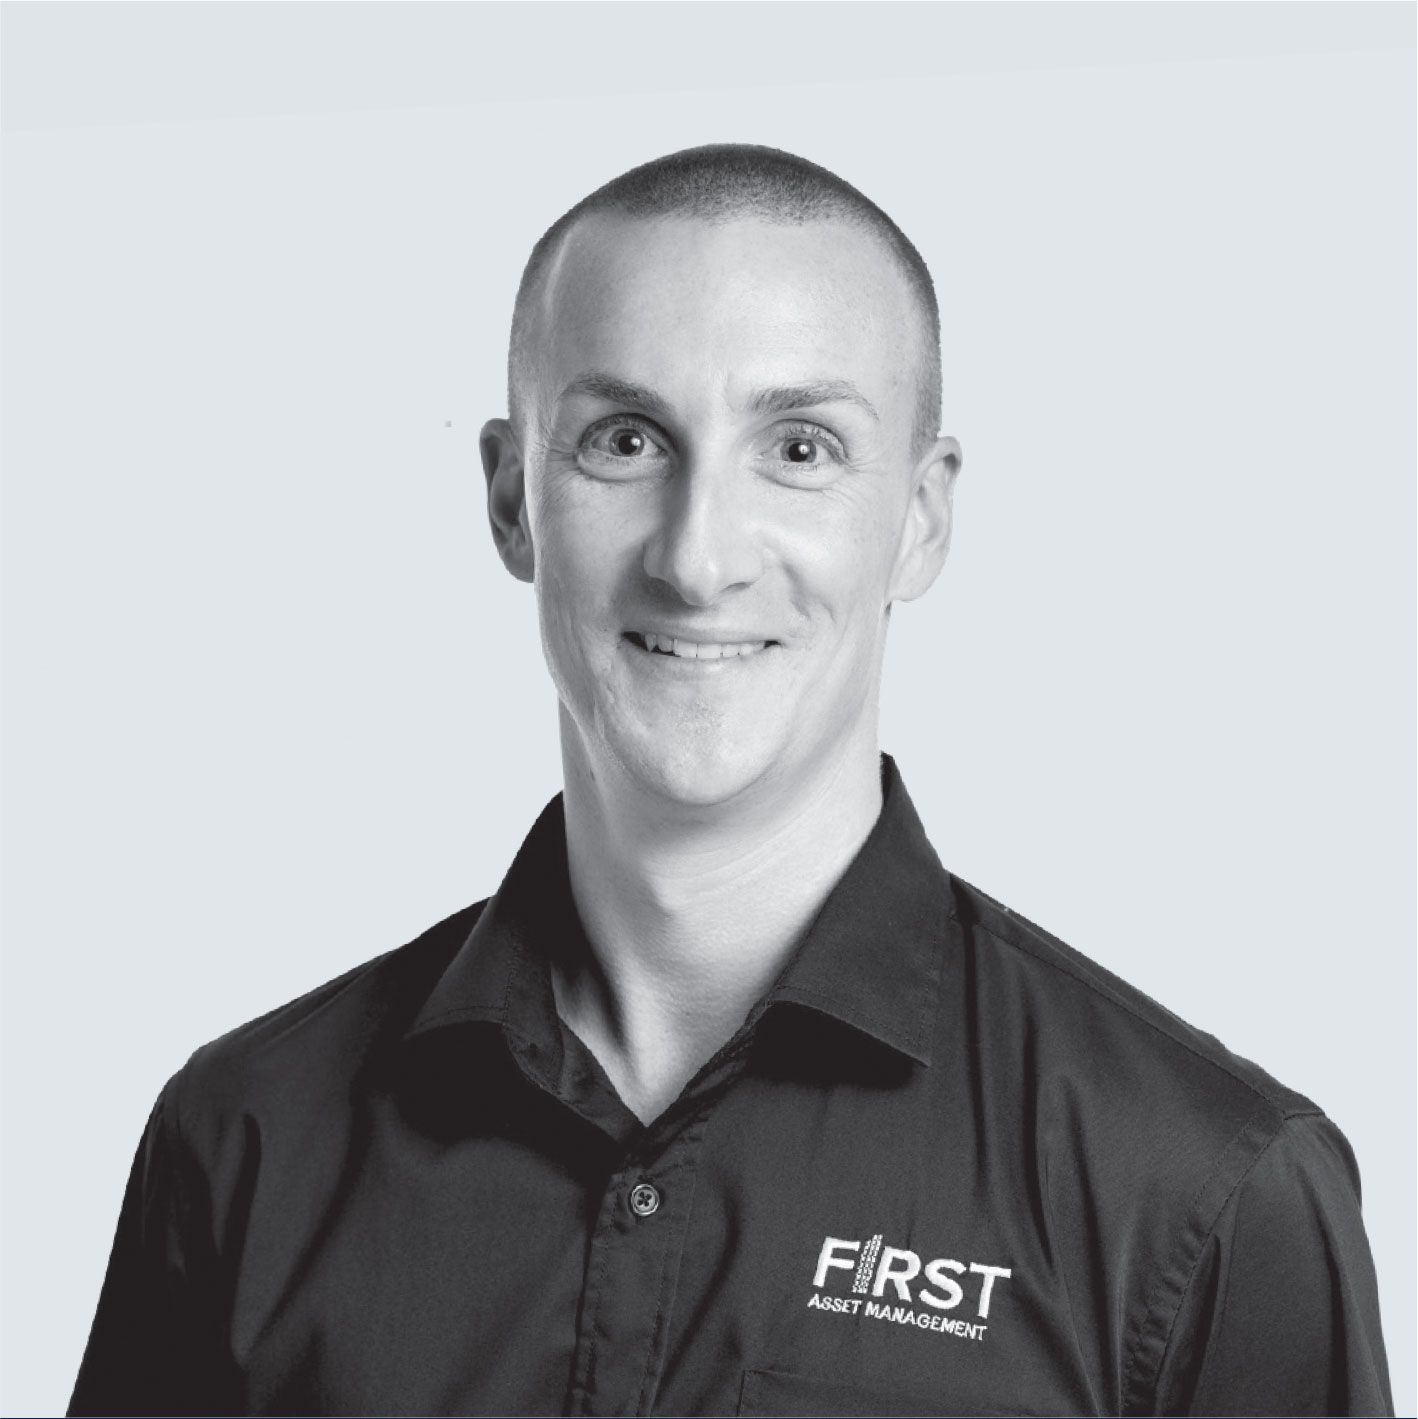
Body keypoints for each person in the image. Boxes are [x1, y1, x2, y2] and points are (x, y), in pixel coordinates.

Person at [68, 143, 1392, 1419]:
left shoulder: (1204, 1194)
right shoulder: (244, 1139)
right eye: (625, 440)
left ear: (920, 517)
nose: (698, 560)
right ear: (513, 499)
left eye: (801, 448)